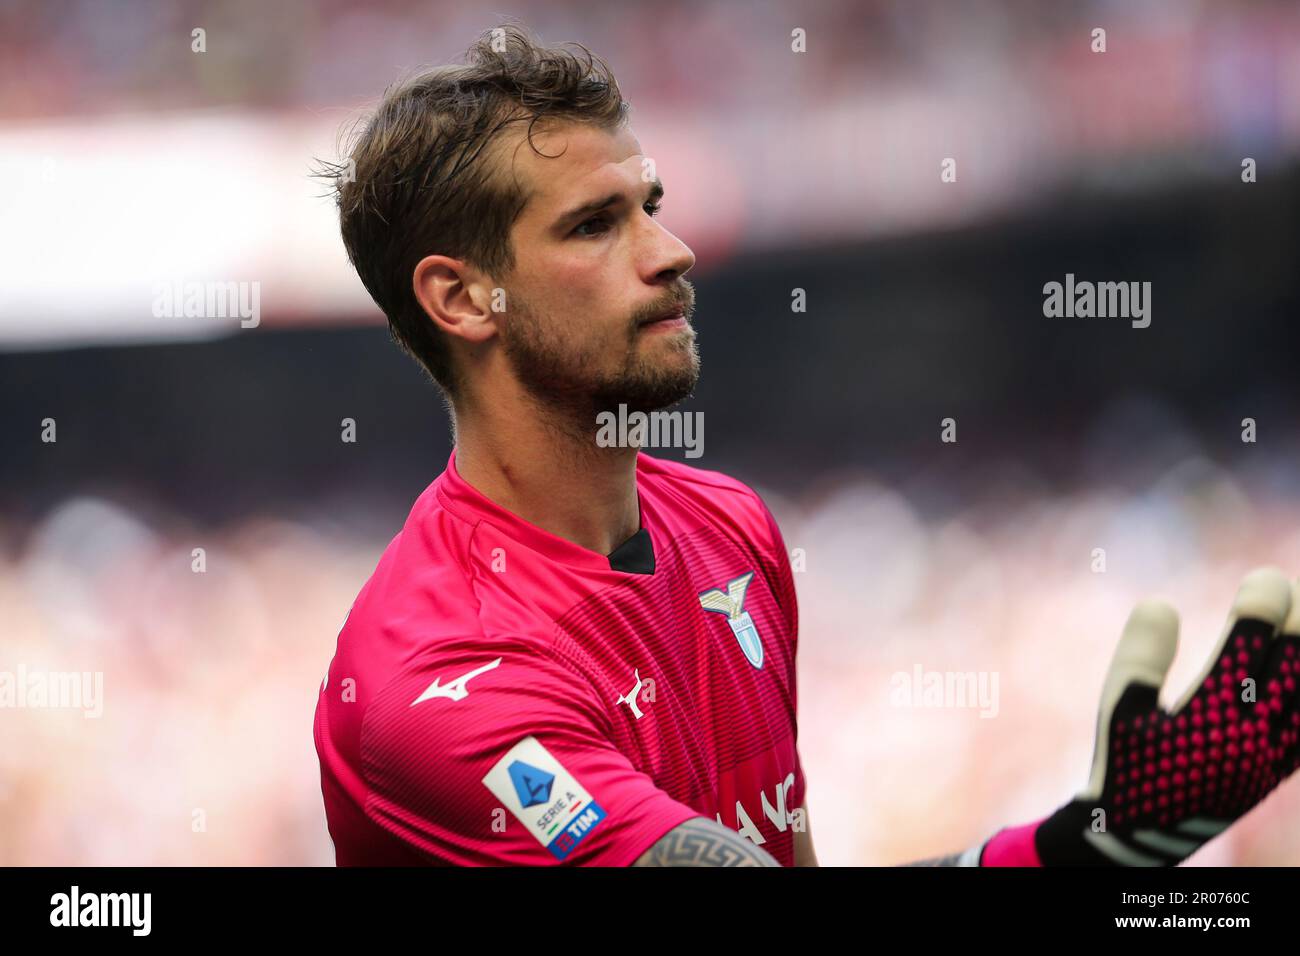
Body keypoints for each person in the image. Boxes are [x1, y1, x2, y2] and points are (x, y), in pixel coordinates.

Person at [313, 23, 1300, 867]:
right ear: (460, 297)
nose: (670, 250)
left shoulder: (728, 527)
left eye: (648, 206)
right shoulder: (432, 678)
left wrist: (1097, 839)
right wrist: (1086, 855)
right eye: (593, 226)